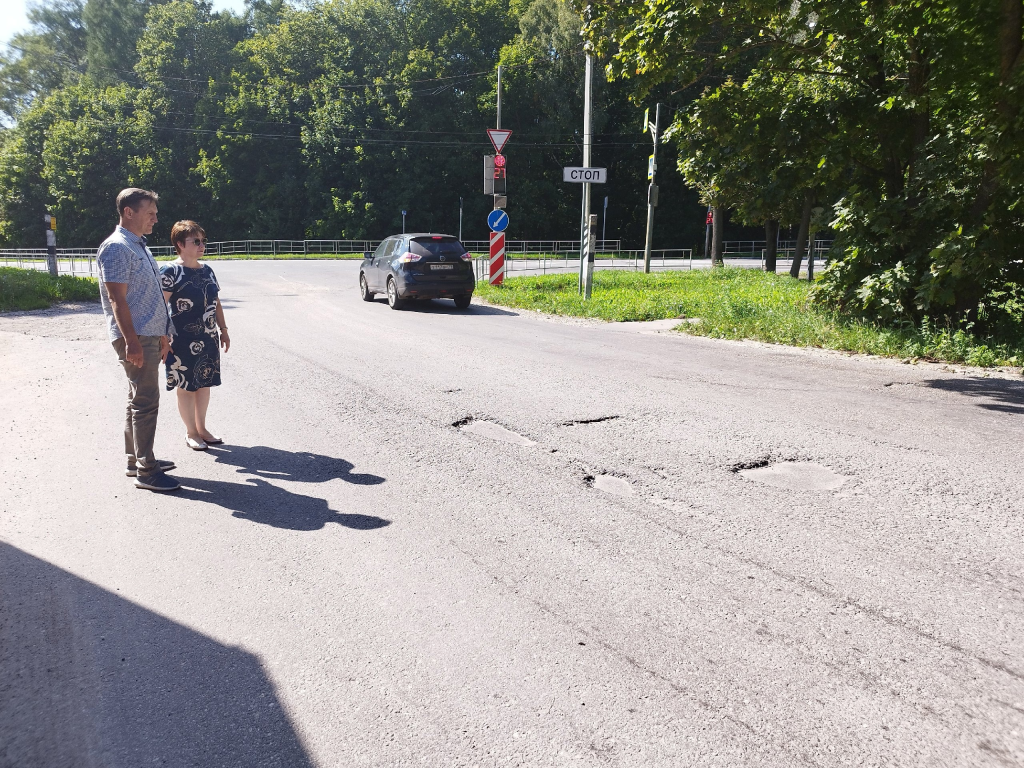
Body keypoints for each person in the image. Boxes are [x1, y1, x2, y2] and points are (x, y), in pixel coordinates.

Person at [97, 188, 180, 491]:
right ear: (129, 212)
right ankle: (147, 471)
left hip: (147, 333)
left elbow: (150, 296)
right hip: (135, 336)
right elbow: (117, 299)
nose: (156, 219)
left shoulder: (138, 245)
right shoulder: (117, 247)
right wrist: (131, 342)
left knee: (137, 399)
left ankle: (137, 460)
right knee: (146, 402)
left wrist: (162, 333)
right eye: (150, 213)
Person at [160, 220, 230, 451]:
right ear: (180, 244)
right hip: (180, 339)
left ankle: (202, 428)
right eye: (196, 241)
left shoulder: (207, 270)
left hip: (208, 337)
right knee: (186, 385)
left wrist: (224, 330)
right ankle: (190, 432)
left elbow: (216, 301)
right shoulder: (170, 271)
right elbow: (161, 306)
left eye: (203, 241)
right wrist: (163, 338)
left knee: (204, 383)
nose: (202, 245)